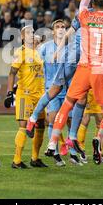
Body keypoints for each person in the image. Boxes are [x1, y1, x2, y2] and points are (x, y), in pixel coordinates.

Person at [46, 0, 103, 165]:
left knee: (67, 104)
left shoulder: (85, 17)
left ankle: (53, 143)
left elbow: (82, 4)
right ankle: (98, 140)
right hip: (101, 70)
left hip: (83, 68)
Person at [38, 19, 81, 166]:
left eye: (63, 26)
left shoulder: (72, 48)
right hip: (52, 89)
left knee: (70, 121)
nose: (61, 29)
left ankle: (73, 154)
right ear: (53, 31)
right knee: (53, 118)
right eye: (58, 27)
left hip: (69, 89)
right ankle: (55, 153)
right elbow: (37, 66)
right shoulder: (45, 48)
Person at [4, 25, 47, 169]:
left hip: (40, 95)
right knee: (23, 126)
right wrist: (10, 92)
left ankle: (35, 158)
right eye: (28, 32)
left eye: (32, 32)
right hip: (25, 94)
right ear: (22, 37)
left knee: (41, 125)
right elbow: (12, 73)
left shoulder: (39, 52)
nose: (31, 34)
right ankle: (16, 161)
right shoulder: (20, 52)